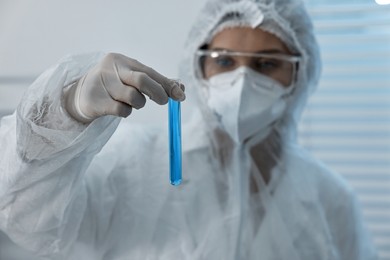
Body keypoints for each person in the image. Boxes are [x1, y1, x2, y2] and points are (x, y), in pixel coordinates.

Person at [0, 0, 378, 259]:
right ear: (198, 69)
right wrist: (64, 111)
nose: (242, 80)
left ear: (299, 74)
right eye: (225, 60)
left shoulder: (331, 200)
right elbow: (28, 223)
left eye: (266, 64)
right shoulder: (130, 163)